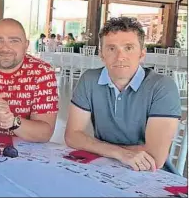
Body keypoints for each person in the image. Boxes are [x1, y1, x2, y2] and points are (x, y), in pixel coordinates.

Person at [65, 17, 180, 172]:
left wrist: (94, 145)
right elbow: (72, 137)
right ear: (101, 54)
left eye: (129, 48)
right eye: (111, 48)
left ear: (142, 53)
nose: (120, 57)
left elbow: (155, 157)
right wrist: (121, 153)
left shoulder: (162, 86)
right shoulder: (90, 79)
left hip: (151, 173)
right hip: (102, 166)